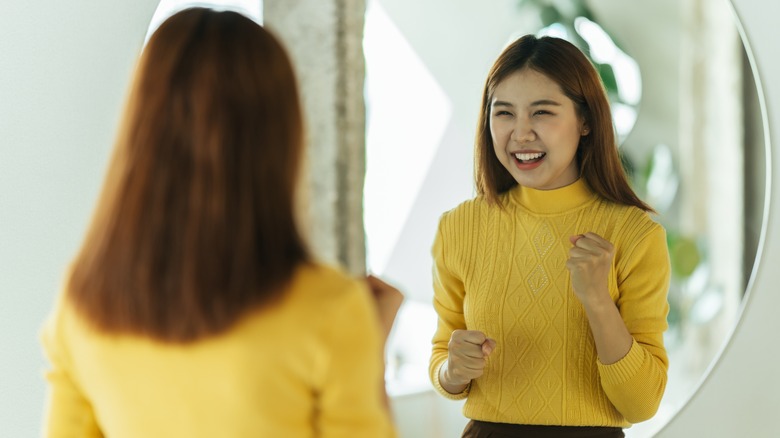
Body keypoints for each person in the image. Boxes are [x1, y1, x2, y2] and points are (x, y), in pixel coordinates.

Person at [40, 7, 401, 438]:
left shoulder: (83, 305)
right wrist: (366, 354)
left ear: (140, 128)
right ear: (284, 138)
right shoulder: (331, 311)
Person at [428, 34, 670, 438]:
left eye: (542, 112)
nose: (521, 134)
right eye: (503, 113)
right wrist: (452, 369)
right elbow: (443, 361)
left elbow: (642, 404)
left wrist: (597, 300)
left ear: (586, 120)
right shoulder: (458, 228)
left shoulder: (635, 236)